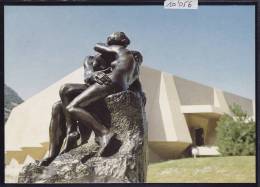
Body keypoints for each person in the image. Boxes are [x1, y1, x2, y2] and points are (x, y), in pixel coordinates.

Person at [65, 33, 143, 155]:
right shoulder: (134, 66)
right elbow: (138, 88)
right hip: (121, 85)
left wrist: (103, 46)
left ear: (121, 41)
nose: (109, 37)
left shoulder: (119, 49)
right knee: (69, 94)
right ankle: (88, 134)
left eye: (112, 36)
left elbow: (97, 46)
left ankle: (104, 134)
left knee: (72, 107)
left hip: (111, 81)